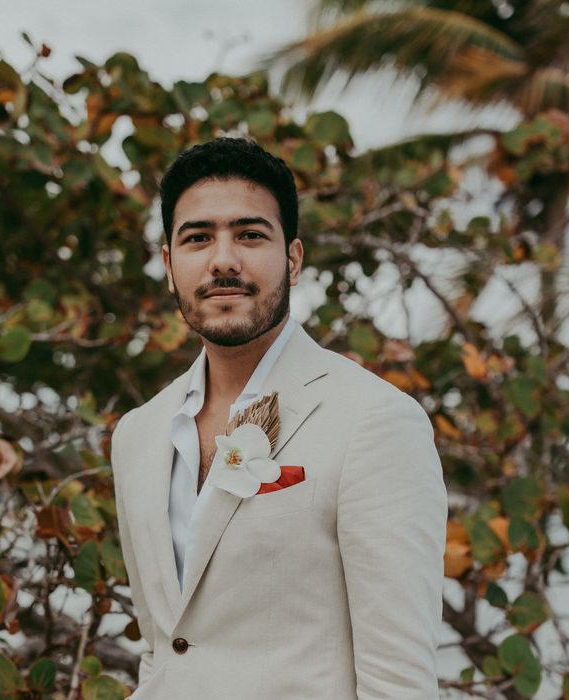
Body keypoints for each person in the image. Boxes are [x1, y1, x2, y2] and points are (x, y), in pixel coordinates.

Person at [110, 137, 447, 699]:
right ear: (169, 266)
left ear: (291, 259)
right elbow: (162, 647)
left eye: (249, 234)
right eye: (197, 238)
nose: (223, 260)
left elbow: (400, 682)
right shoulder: (137, 434)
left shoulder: (377, 421)